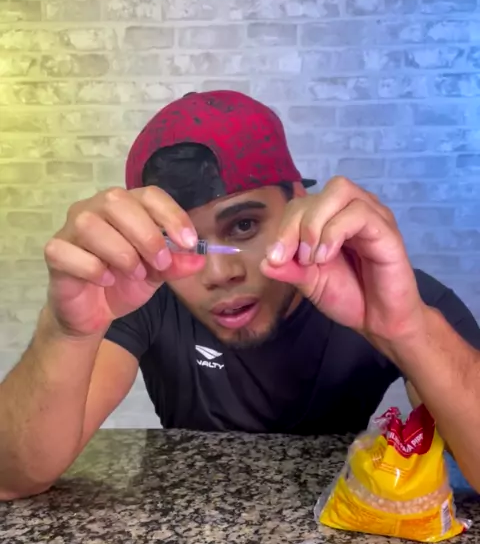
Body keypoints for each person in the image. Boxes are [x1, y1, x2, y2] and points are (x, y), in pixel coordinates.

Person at [1, 89, 479, 500]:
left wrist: (406, 330)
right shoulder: (142, 296)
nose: (219, 273)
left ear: (298, 201)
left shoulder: (385, 291)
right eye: (182, 243)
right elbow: (11, 478)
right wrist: (66, 332)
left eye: (245, 225)